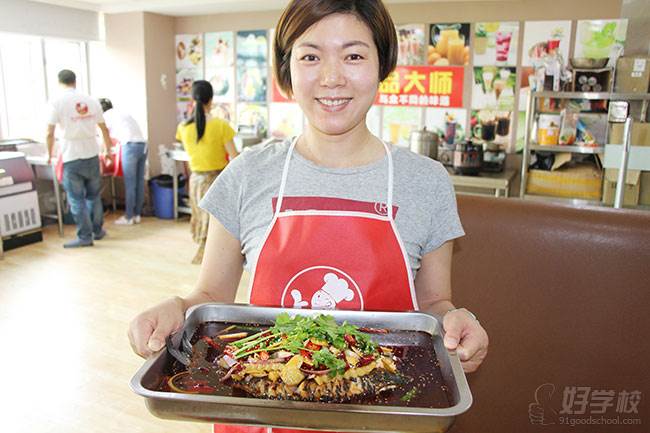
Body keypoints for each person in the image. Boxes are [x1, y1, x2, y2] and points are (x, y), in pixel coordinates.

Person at [129, 1, 489, 432]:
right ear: (287, 71)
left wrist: (455, 322)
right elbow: (209, 295)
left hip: (382, 410)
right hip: (260, 408)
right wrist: (177, 308)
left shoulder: (426, 181)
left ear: (382, 66)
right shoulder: (248, 173)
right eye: (310, 56)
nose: (332, 77)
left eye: (353, 55)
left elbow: (432, 306)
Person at [46, 69, 113, 248]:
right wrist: (108, 151)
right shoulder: (90, 100)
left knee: (77, 200)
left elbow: (49, 132)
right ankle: (97, 231)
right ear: (75, 81)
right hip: (92, 154)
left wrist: (49, 153)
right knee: (93, 196)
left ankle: (85, 236)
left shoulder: (57, 102)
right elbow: (104, 129)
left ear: (59, 82)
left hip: (71, 156)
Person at [175, 80, 239, 264]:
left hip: (196, 182)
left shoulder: (183, 128)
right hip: (216, 181)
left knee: (202, 220)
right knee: (215, 226)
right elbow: (235, 158)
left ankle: (206, 260)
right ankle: (211, 263)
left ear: (193, 100)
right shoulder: (221, 125)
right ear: (211, 100)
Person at [99, 98, 147, 225]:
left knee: (130, 184)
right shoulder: (122, 113)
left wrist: (105, 152)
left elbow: (105, 138)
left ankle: (128, 217)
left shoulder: (105, 117)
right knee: (139, 182)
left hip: (130, 147)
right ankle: (137, 215)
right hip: (143, 146)